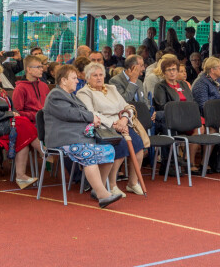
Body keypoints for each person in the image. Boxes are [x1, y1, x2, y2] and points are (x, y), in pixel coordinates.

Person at [43, 65, 121, 208]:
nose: (77, 81)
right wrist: (92, 117)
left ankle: (98, 190)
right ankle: (103, 195)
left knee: (109, 151)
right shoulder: (55, 95)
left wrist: (93, 118)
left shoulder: (71, 95)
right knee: (89, 153)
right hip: (63, 139)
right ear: (64, 80)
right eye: (73, 78)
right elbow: (69, 113)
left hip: (77, 138)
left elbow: (79, 113)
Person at [77, 62, 146, 197]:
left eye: (101, 75)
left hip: (122, 123)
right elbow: (92, 114)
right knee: (121, 147)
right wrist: (115, 124)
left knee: (138, 146)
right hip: (103, 128)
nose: (99, 78)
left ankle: (133, 182)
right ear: (88, 78)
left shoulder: (111, 88)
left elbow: (126, 106)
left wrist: (124, 120)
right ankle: (112, 185)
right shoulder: (84, 92)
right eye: (95, 75)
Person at [152, 57, 200, 175]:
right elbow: (163, 106)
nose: (172, 72)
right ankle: (171, 161)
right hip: (170, 117)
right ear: (164, 72)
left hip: (186, 118)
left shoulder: (183, 84)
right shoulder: (160, 86)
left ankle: (183, 160)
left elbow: (191, 101)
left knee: (200, 126)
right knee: (167, 123)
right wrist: (179, 112)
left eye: (174, 69)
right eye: (168, 70)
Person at [12, 55, 50, 124]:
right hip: (30, 124)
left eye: (41, 66)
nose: (41, 69)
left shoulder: (44, 86)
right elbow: (17, 112)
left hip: (46, 122)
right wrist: (37, 115)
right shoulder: (20, 88)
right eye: (38, 67)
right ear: (29, 70)